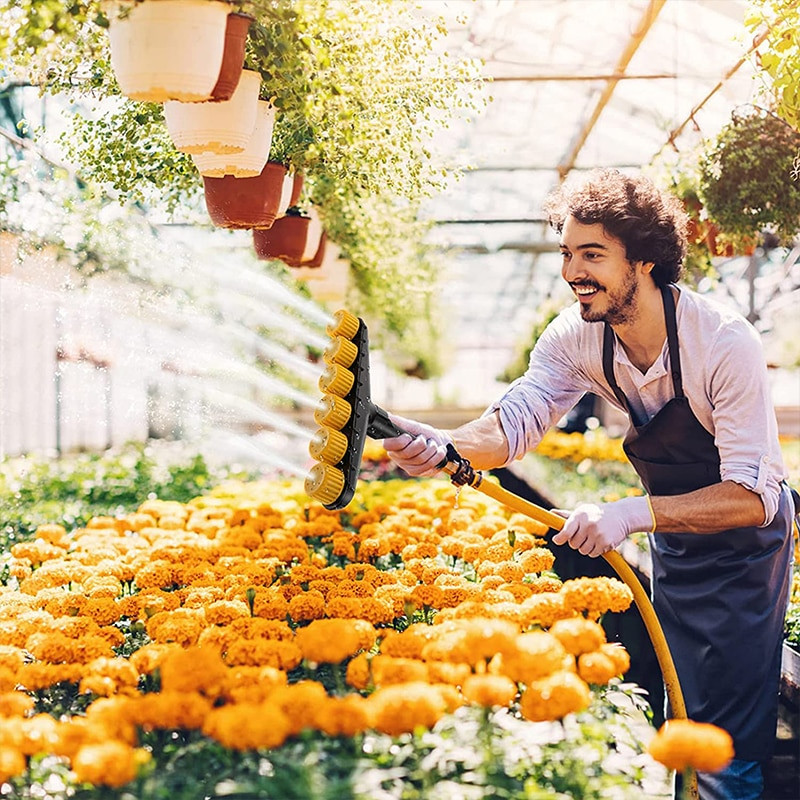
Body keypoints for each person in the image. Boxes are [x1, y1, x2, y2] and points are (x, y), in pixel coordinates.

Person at [383, 168, 796, 800]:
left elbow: (751, 495)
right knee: (680, 708)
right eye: (567, 254)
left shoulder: (721, 343)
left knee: (729, 735)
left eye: (594, 255)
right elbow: (516, 422)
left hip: (746, 553)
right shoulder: (576, 337)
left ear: (648, 260)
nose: (574, 270)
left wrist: (630, 514)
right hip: (678, 550)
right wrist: (445, 447)